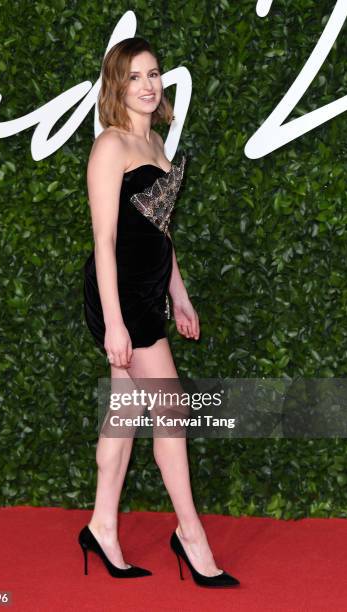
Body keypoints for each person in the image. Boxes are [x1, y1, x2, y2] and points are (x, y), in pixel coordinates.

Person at [79, 37, 239, 588]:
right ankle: (190, 534)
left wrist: (180, 293)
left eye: (154, 74)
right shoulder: (111, 147)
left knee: (124, 413)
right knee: (171, 412)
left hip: (149, 294)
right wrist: (116, 322)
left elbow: (159, 233)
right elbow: (104, 240)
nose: (149, 85)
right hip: (118, 295)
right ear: (116, 86)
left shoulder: (157, 146)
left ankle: (102, 525)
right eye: (135, 76)